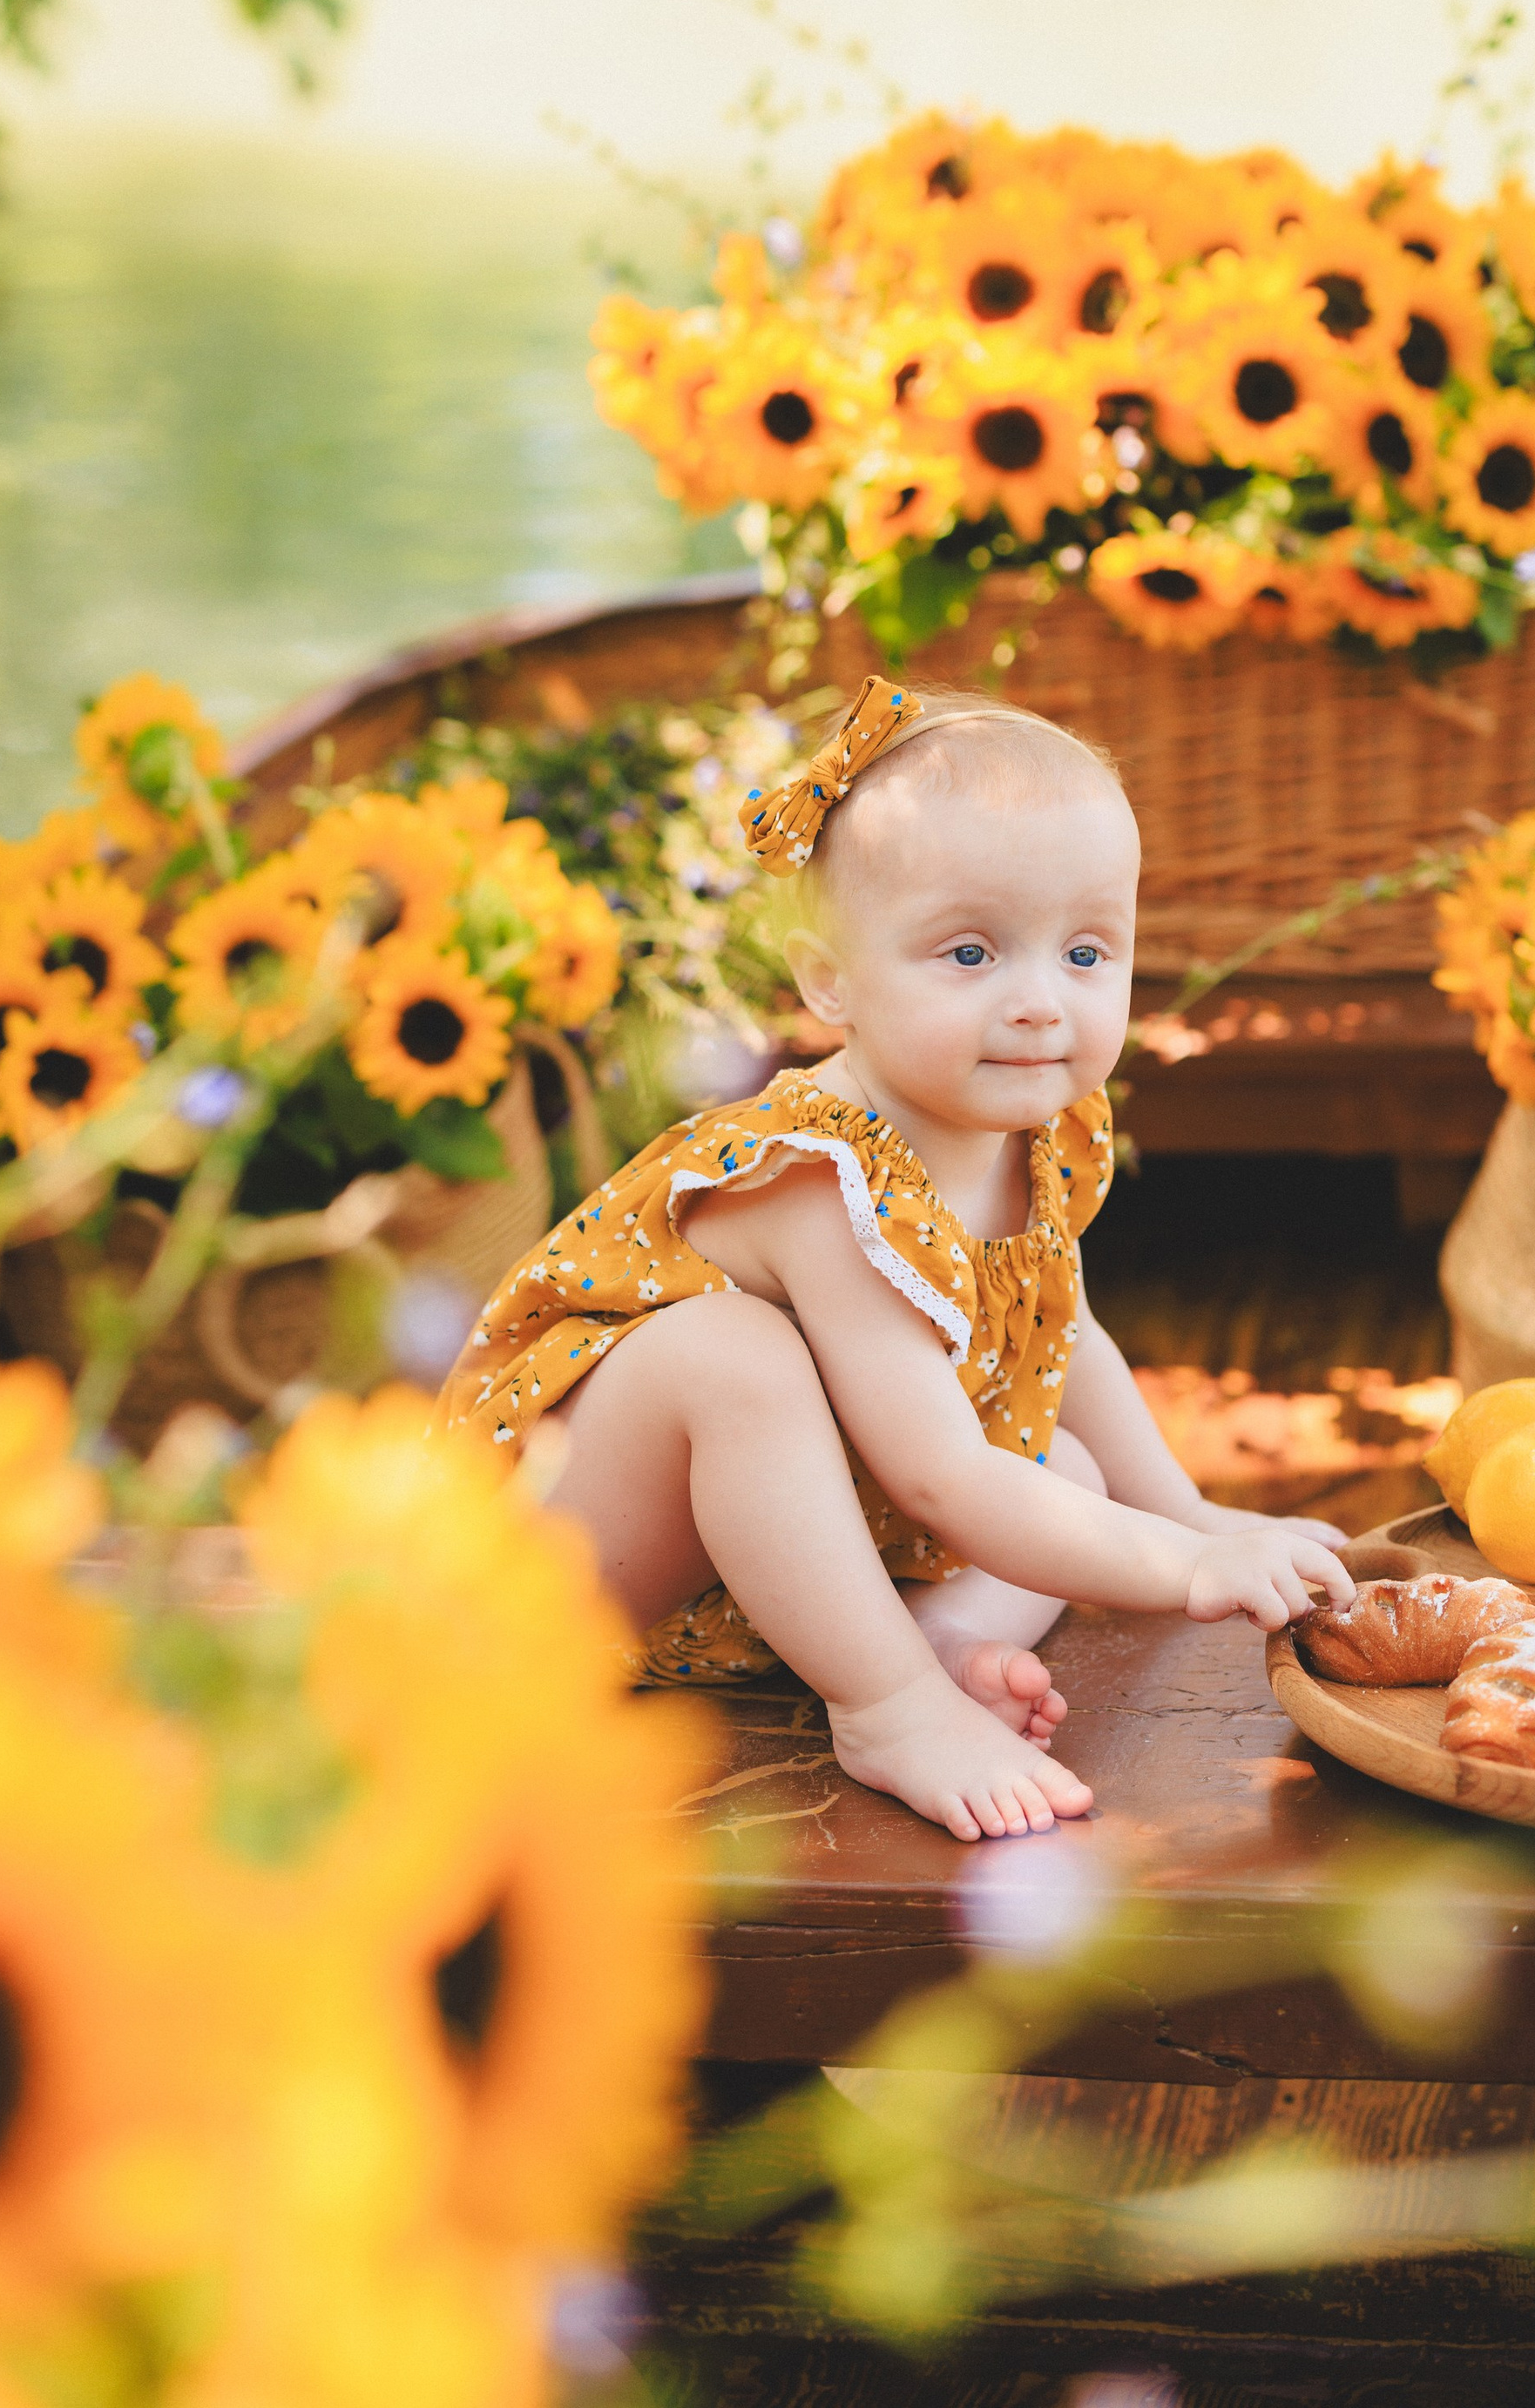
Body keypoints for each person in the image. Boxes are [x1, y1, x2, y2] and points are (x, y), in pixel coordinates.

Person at [436, 674, 1353, 1842]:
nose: (1038, 1003)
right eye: (970, 953)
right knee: (730, 1355)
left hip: (763, 1552)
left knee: (1065, 1469)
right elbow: (938, 1479)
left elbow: (1059, 1331)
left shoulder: (1031, 1130)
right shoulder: (821, 1173)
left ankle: (939, 1646)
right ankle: (888, 1702)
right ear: (831, 982)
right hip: (567, 1565)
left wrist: (1188, 1515)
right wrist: (1181, 1569)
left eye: (1086, 952)